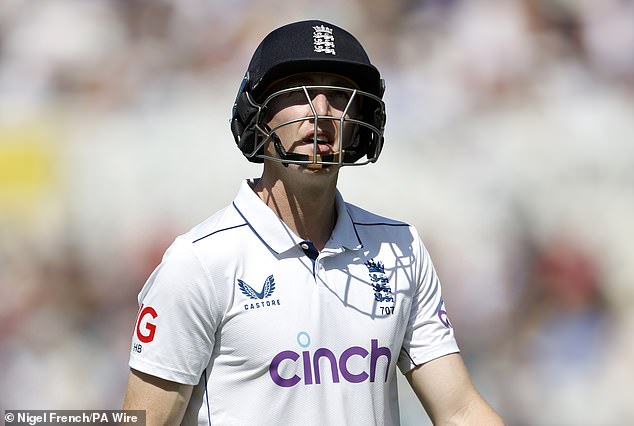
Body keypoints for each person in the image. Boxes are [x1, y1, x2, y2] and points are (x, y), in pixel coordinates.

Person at [123, 19, 504, 425]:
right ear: (260, 114)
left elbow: (460, 410)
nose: (321, 112)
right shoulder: (199, 262)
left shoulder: (401, 248)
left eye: (339, 95)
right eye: (298, 92)